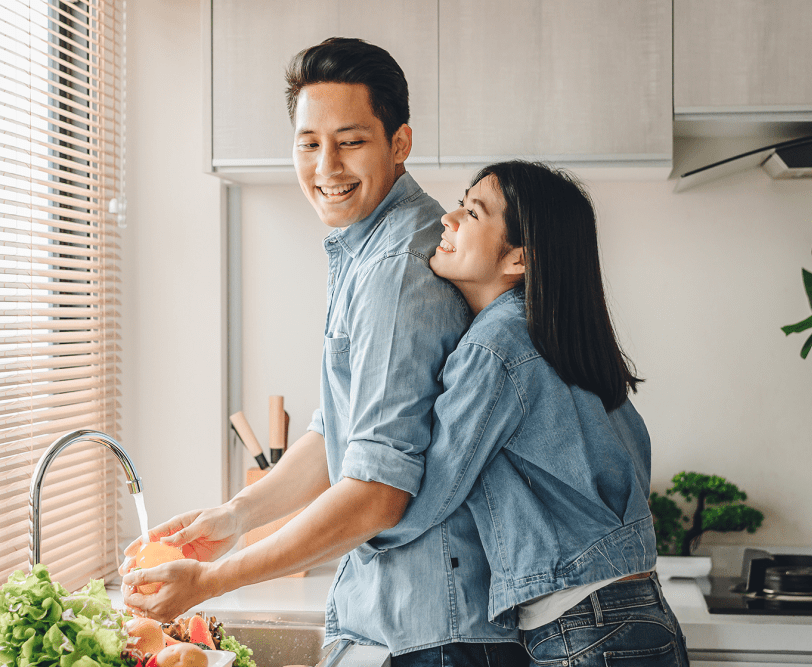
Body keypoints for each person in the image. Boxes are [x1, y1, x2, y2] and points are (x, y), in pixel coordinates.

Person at [120, 38, 526, 666]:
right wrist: (235, 516)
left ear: (400, 144)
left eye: (351, 140)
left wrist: (210, 583)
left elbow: (375, 491)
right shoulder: (371, 247)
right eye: (309, 143)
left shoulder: (395, 268)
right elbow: (340, 433)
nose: (326, 166)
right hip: (422, 623)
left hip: (433, 632)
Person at [365, 160, 689, 665]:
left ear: (518, 258)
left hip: (586, 626)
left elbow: (434, 491)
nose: (448, 220)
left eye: (472, 213)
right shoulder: (559, 340)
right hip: (639, 613)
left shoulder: (496, 347)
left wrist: (355, 535)